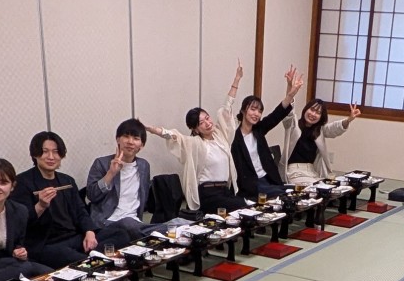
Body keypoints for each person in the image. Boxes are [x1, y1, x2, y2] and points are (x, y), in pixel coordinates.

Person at [147, 69, 246, 216]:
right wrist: (155, 130)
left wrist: (237, 80)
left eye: (207, 118)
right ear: (195, 129)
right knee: (242, 207)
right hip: (208, 194)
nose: (207, 123)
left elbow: (226, 109)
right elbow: (174, 137)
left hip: (225, 190)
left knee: (246, 207)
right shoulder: (195, 143)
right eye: (201, 123)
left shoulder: (220, 136)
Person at [11, 131, 94, 267]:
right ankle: (94, 262)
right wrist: (41, 205)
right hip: (47, 244)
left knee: (119, 233)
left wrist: (89, 232)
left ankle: (94, 260)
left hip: (74, 237)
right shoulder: (22, 182)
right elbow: (20, 222)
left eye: (56, 152)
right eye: (45, 152)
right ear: (35, 154)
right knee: (76, 257)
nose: (51, 157)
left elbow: (81, 211)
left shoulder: (67, 180)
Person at [227, 62, 303, 199]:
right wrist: (237, 79)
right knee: (286, 195)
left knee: (298, 192)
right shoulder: (233, 135)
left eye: (259, 111)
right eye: (253, 109)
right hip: (251, 185)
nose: (256, 114)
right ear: (243, 110)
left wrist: (291, 94)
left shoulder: (259, 130)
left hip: (268, 179)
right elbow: (226, 109)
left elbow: (277, 114)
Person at [83, 119, 152, 249]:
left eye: (136, 138)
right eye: (126, 136)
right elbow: (92, 196)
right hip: (107, 222)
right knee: (130, 224)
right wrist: (111, 173)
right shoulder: (101, 163)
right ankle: (154, 235)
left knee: (173, 225)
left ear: (141, 145)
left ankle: (155, 235)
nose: (130, 142)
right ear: (118, 139)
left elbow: (145, 196)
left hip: (135, 223)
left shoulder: (144, 166)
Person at [284, 99, 357, 185]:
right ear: (306, 109)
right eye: (312, 110)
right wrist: (290, 96)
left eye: (318, 113)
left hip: (312, 172)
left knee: (333, 186)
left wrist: (348, 120)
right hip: (294, 172)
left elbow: (333, 128)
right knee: (317, 188)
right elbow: (288, 115)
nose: (313, 114)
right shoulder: (293, 125)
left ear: (321, 117)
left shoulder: (319, 130)